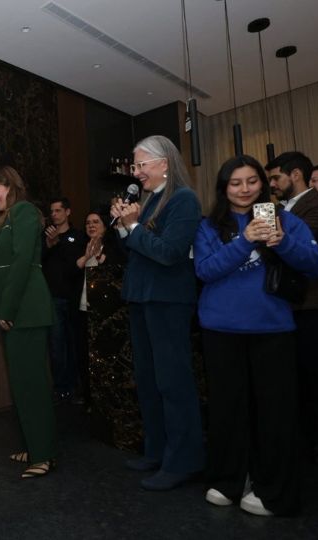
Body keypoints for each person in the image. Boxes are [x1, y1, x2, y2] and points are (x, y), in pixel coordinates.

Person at [194, 155, 318, 516]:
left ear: (263, 184)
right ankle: (227, 479)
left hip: (273, 329)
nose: (244, 189)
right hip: (221, 330)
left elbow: (317, 265)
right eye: (235, 183)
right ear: (224, 188)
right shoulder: (210, 225)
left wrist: (281, 242)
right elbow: (205, 270)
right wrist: (245, 240)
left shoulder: (287, 220)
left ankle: (274, 491)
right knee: (226, 411)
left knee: (276, 414)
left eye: (252, 181)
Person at [109, 135, 204, 491]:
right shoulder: (149, 202)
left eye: (141, 165)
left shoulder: (183, 200)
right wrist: (122, 227)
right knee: (148, 380)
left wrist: (132, 227)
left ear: (165, 163)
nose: (136, 173)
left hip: (168, 301)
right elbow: (134, 253)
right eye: (135, 166)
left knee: (173, 382)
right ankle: (157, 450)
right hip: (142, 298)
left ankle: (185, 461)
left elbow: (168, 253)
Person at [0, 166, 56, 479]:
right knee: (21, 385)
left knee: (32, 384)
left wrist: (4, 309)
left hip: (27, 312)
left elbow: (21, 263)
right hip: (14, 311)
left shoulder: (25, 212)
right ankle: (35, 447)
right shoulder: (6, 220)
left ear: (10, 185)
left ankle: (44, 454)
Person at [266, 152, 318, 464]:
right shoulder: (278, 209)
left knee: (316, 378)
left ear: (294, 175)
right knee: (290, 379)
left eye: (275, 178)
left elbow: (302, 244)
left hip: (313, 303)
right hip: (282, 305)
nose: (271, 185)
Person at [77, 209, 140, 450]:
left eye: (96, 222)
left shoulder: (114, 247)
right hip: (84, 309)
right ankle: (91, 403)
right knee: (84, 358)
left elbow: (119, 271)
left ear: (106, 225)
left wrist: (101, 257)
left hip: (107, 314)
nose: (91, 226)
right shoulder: (84, 246)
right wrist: (85, 257)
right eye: (88, 222)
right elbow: (73, 272)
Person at [42, 197, 85, 402]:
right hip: (53, 297)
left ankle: (77, 387)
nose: (54, 214)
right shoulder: (46, 236)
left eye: (58, 210)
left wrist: (59, 245)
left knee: (74, 343)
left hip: (74, 298)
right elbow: (38, 262)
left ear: (68, 212)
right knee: (57, 346)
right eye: (52, 211)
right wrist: (49, 245)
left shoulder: (77, 236)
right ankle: (61, 389)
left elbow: (75, 265)